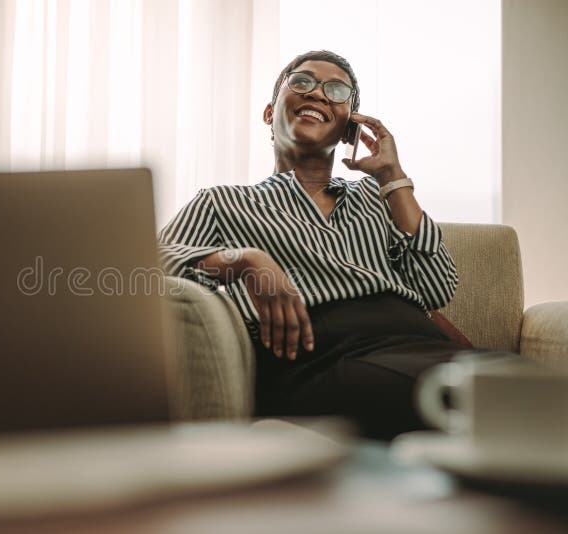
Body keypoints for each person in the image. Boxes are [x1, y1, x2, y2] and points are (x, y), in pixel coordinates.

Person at [157, 50, 484, 440]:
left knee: (529, 389)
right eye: (301, 82)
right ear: (269, 112)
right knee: (486, 400)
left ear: (350, 129)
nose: (317, 94)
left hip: (416, 343)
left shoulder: (376, 198)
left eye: (336, 90)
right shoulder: (223, 201)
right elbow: (148, 267)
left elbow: (436, 287)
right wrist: (244, 260)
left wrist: (393, 178)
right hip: (319, 358)